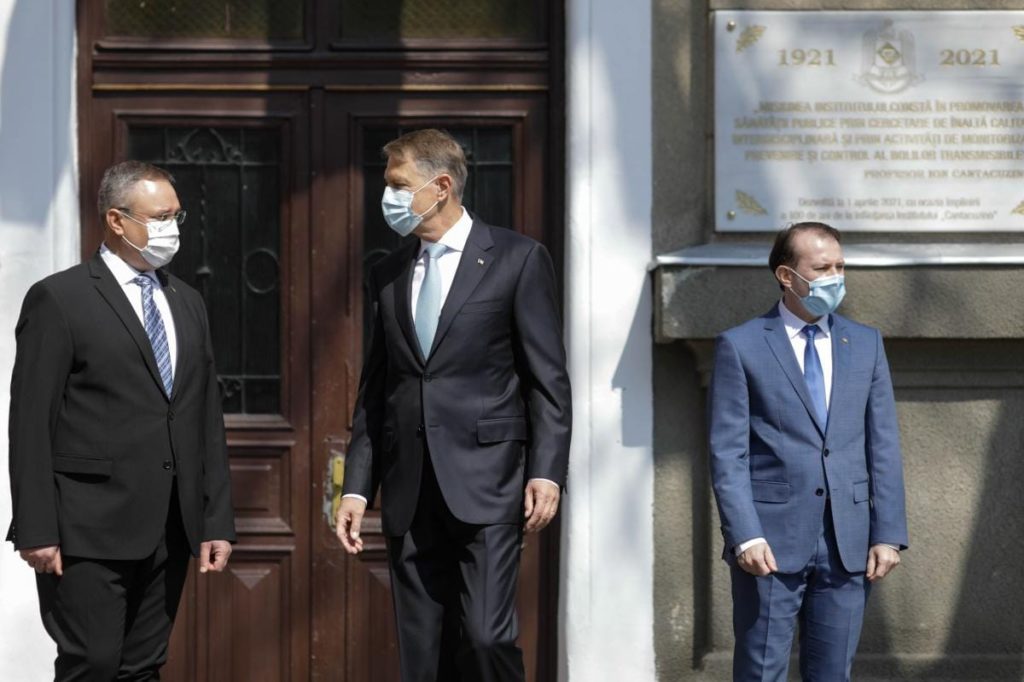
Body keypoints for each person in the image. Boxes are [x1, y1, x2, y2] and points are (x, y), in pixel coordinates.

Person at [335, 128, 571, 682]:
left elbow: (547, 380)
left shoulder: (517, 259)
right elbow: (377, 389)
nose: (388, 197)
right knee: (424, 656)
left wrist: (547, 471)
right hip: (410, 490)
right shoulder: (388, 273)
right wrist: (356, 486)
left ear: (440, 186)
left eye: (399, 185)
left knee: (486, 639)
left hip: (488, 483)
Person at [7, 160, 236, 680]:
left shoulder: (187, 301)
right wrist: (36, 528)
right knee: (93, 663)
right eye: (160, 217)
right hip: (86, 529)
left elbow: (205, 417)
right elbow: (30, 423)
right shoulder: (59, 298)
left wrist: (217, 518)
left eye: (177, 216)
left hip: (170, 525)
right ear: (116, 220)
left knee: (143, 667)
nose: (172, 229)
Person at [708, 222, 908, 681]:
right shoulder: (741, 345)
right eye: (822, 268)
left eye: (840, 266)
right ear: (786, 275)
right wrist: (745, 535)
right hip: (769, 544)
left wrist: (888, 533)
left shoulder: (866, 343)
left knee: (833, 673)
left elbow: (883, 443)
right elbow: (728, 453)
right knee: (761, 672)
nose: (835, 277)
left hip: (848, 544)